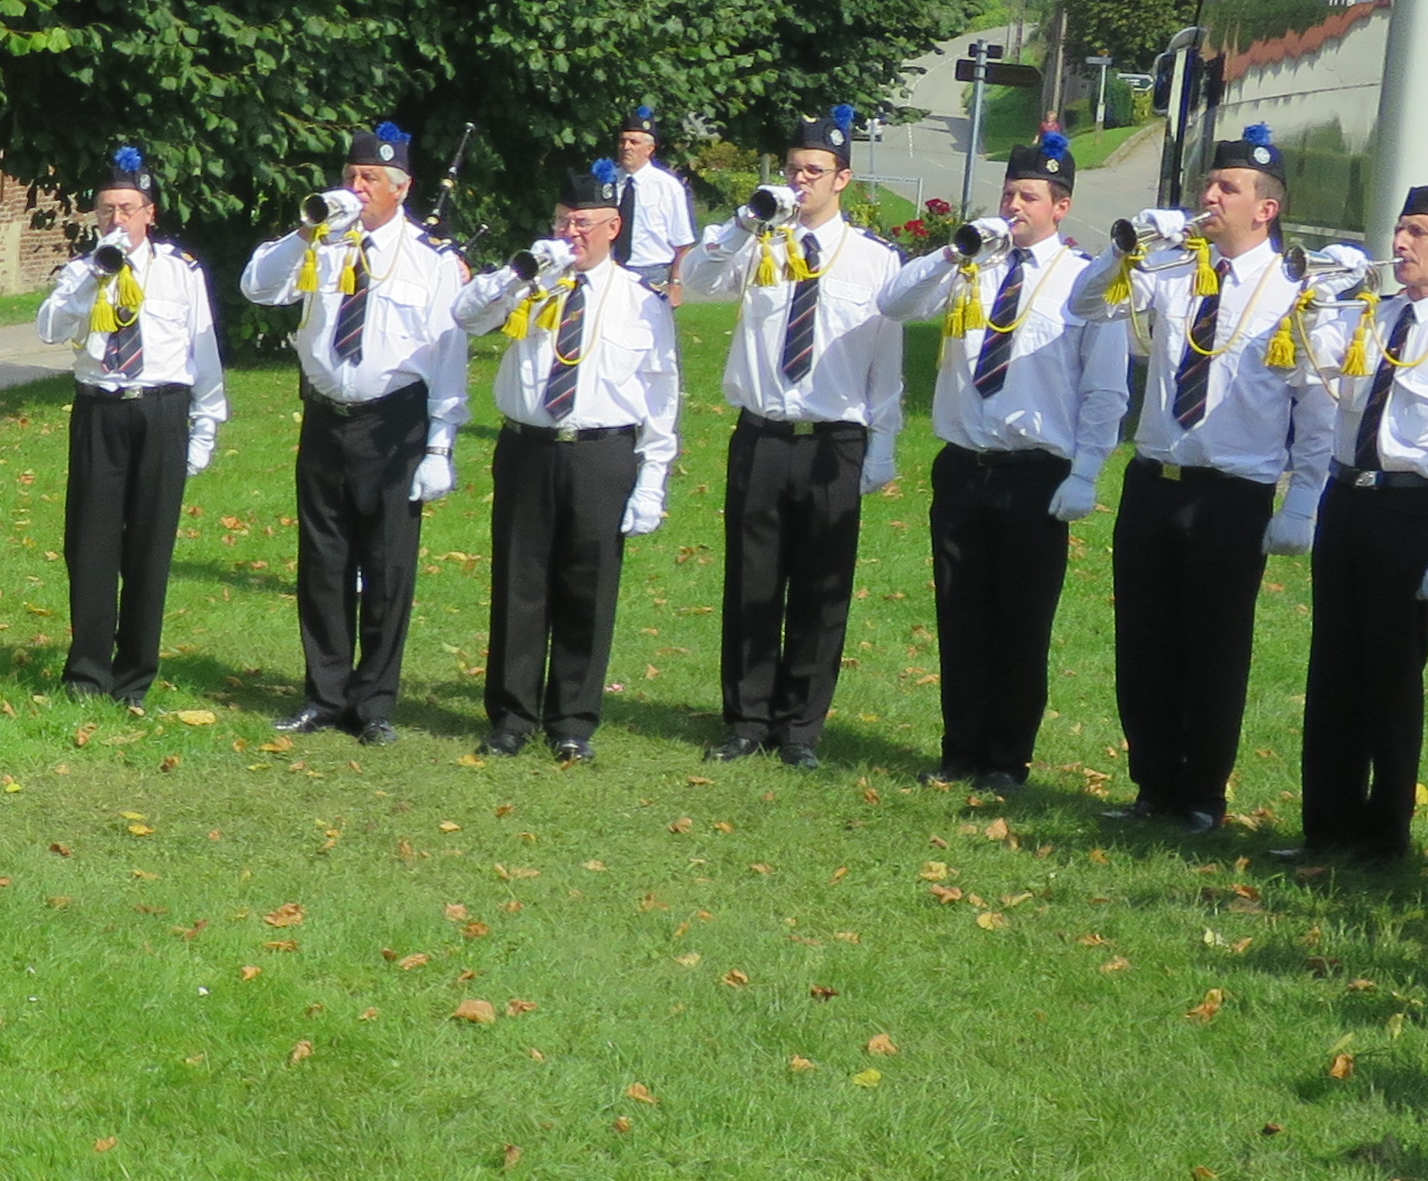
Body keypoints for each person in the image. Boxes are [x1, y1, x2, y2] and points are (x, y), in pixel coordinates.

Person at [1078, 122, 1328, 835]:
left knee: (1214, 647)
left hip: (1231, 493)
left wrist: (1303, 501)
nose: (1210, 196)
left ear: (1266, 208)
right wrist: (1126, 249)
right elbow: (1086, 306)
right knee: (1144, 641)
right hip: (1155, 482)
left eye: (1228, 187)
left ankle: (1201, 795)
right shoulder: (1173, 271)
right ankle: (1152, 785)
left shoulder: (1294, 291)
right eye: (1209, 184)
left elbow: (1315, 412)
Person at [874, 128, 1123, 794]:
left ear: (1061, 206)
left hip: (1033, 473)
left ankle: (1007, 759)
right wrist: (952, 253)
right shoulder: (973, 264)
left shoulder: (1085, 282)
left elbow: (1105, 391)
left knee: (1020, 624)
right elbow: (894, 303)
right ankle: (959, 750)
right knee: (960, 615)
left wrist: (1086, 472)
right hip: (964, 465)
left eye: (1029, 196)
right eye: (1009, 192)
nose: (1014, 205)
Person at [680, 102, 902, 767]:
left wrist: (883, 446)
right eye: (793, 169)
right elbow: (697, 279)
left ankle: (801, 729)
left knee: (820, 588)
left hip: (833, 441)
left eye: (814, 171)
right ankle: (746, 720)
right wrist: (744, 222)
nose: (800, 181)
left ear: (843, 179)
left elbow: (886, 367)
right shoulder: (759, 244)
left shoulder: (874, 262)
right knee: (751, 581)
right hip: (764, 436)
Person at [239, 119, 467, 745]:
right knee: (323, 560)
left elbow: (448, 356)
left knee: (388, 566)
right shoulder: (323, 243)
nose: (356, 186)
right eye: (350, 175)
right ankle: (325, 694)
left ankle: (375, 703)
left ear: (402, 187)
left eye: (370, 177)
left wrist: (441, 443)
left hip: (394, 421)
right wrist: (307, 231)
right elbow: (257, 287)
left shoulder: (431, 259)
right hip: (325, 416)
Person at [448, 158, 679, 761]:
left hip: (600, 453)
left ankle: (573, 721)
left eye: (581, 223)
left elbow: (661, 395)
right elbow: (466, 316)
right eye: (560, 221)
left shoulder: (641, 301)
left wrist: (652, 478)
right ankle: (511, 717)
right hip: (528, 447)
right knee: (519, 582)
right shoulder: (531, 283)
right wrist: (519, 273)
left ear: (612, 228)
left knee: (588, 588)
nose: (569, 233)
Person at [1288, 175, 1428, 865]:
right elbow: (1309, 376)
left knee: (1392, 674)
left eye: (1419, 232)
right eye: (1400, 228)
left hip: (1411, 508)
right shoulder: (1371, 313)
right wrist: (1319, 302)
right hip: (1348, 499)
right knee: (1333, 665)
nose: (1401, 242)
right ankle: (1326, 826)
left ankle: (1384, 834)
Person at [36, 145, 224, 704]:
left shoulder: (181, 271)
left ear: (149, 213)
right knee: (90, 543)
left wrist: (206, 424)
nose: (116, 219)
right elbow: (49, 329)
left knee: (150, 544)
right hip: (101, 409)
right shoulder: (81, 270)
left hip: (160, 408)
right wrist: (90, 280)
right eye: (106, 209)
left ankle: (135, 674)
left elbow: (203, 352)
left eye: (127, 208)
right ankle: (87, 671)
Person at [614, 108, 696, 293]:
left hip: (652, 274)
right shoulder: (607, 183)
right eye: (622, 141)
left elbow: (682, 242)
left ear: (649, 149)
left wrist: (676, 282)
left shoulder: (667, 186)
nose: (626, 147)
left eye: (634, 142)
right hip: (612, 270)